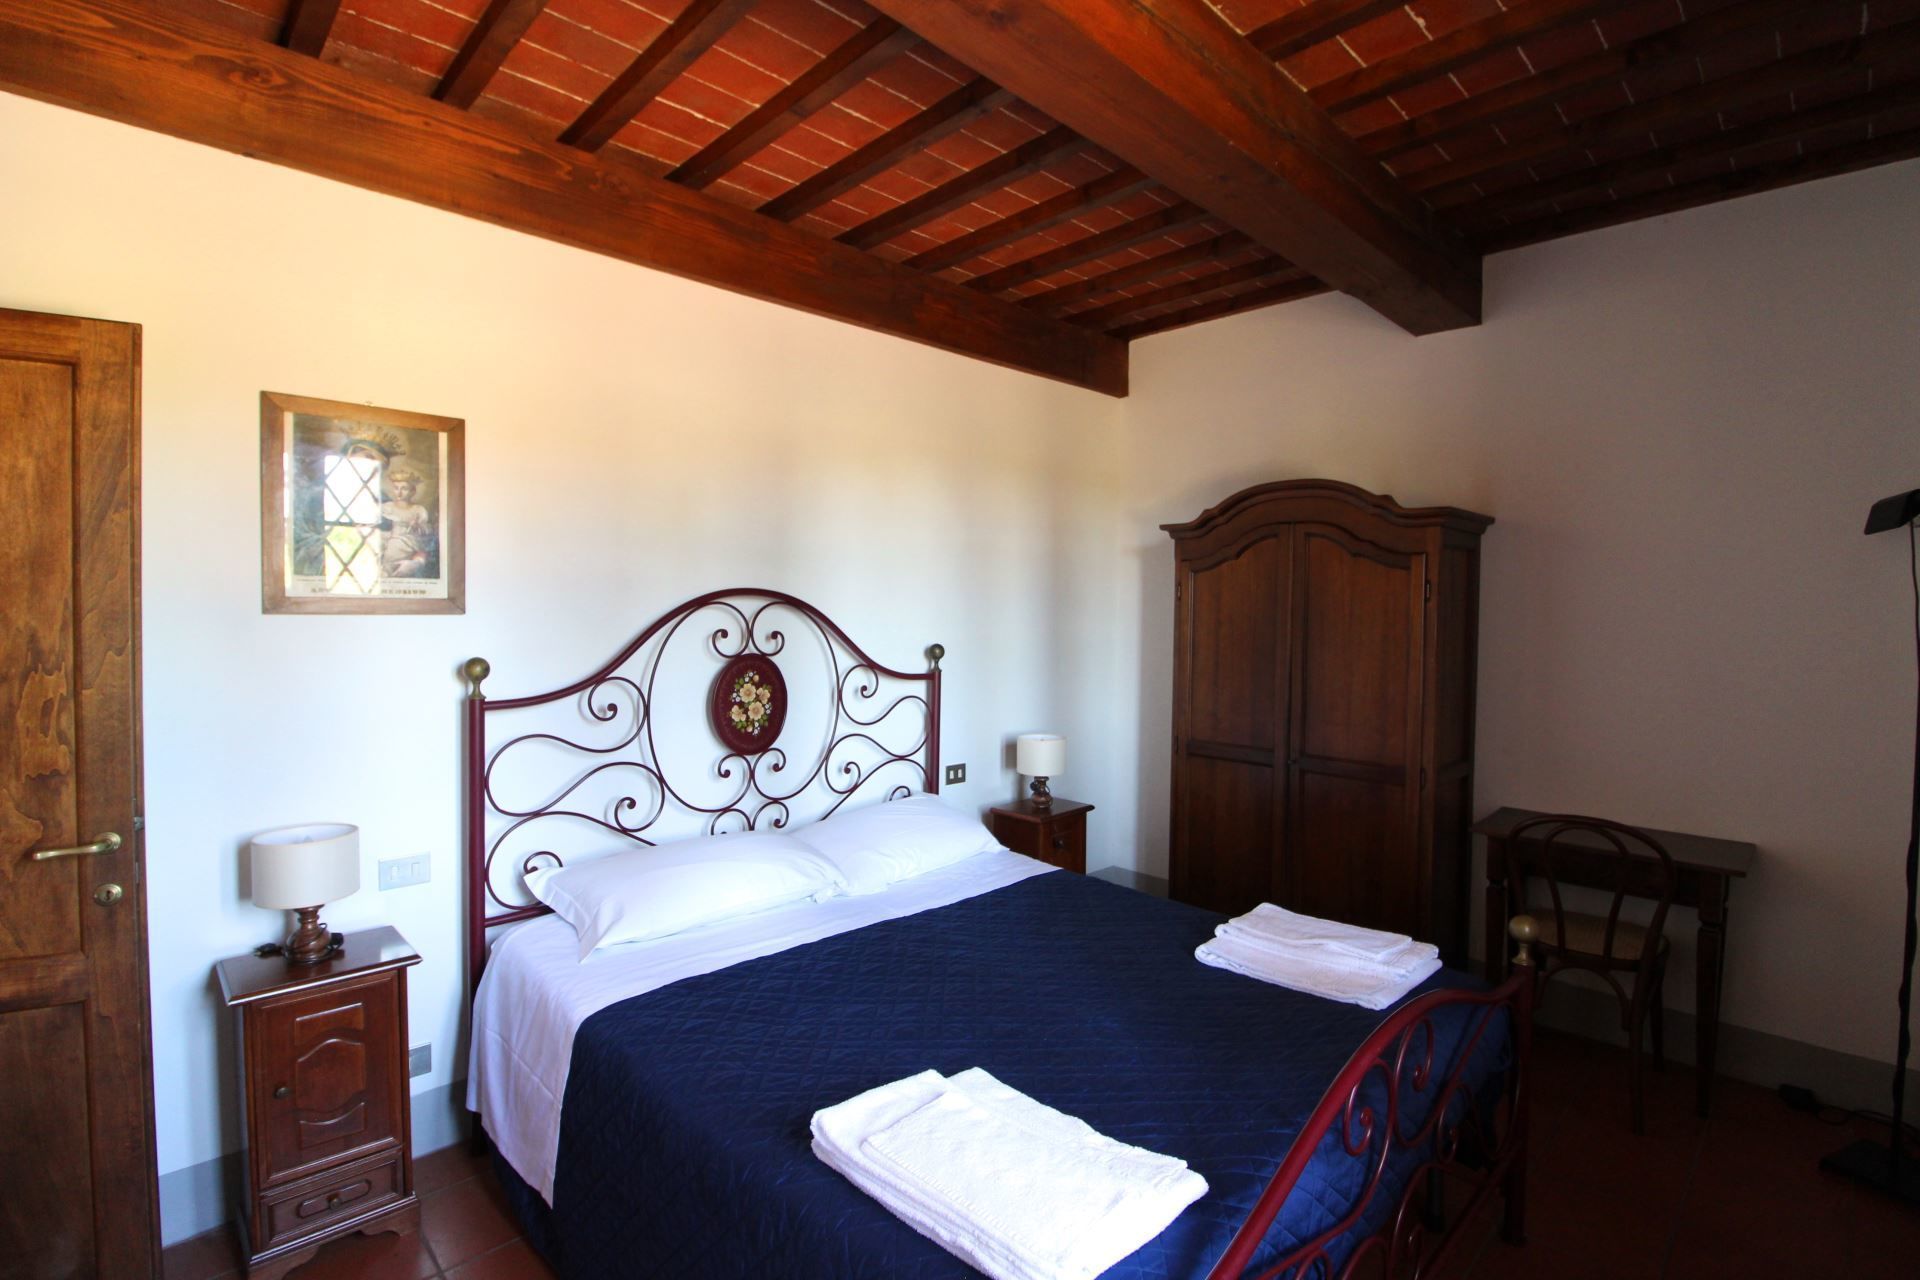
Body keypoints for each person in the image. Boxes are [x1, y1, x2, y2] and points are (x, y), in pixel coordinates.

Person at [379, 463, 436, 579]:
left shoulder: (418, 510)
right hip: (388, 546)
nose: (399, 493)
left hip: (411, 546)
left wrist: (417, 526)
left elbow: (426, 534)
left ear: (412, 491)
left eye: (404, 489)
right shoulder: (386, 508)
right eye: (396, 488)